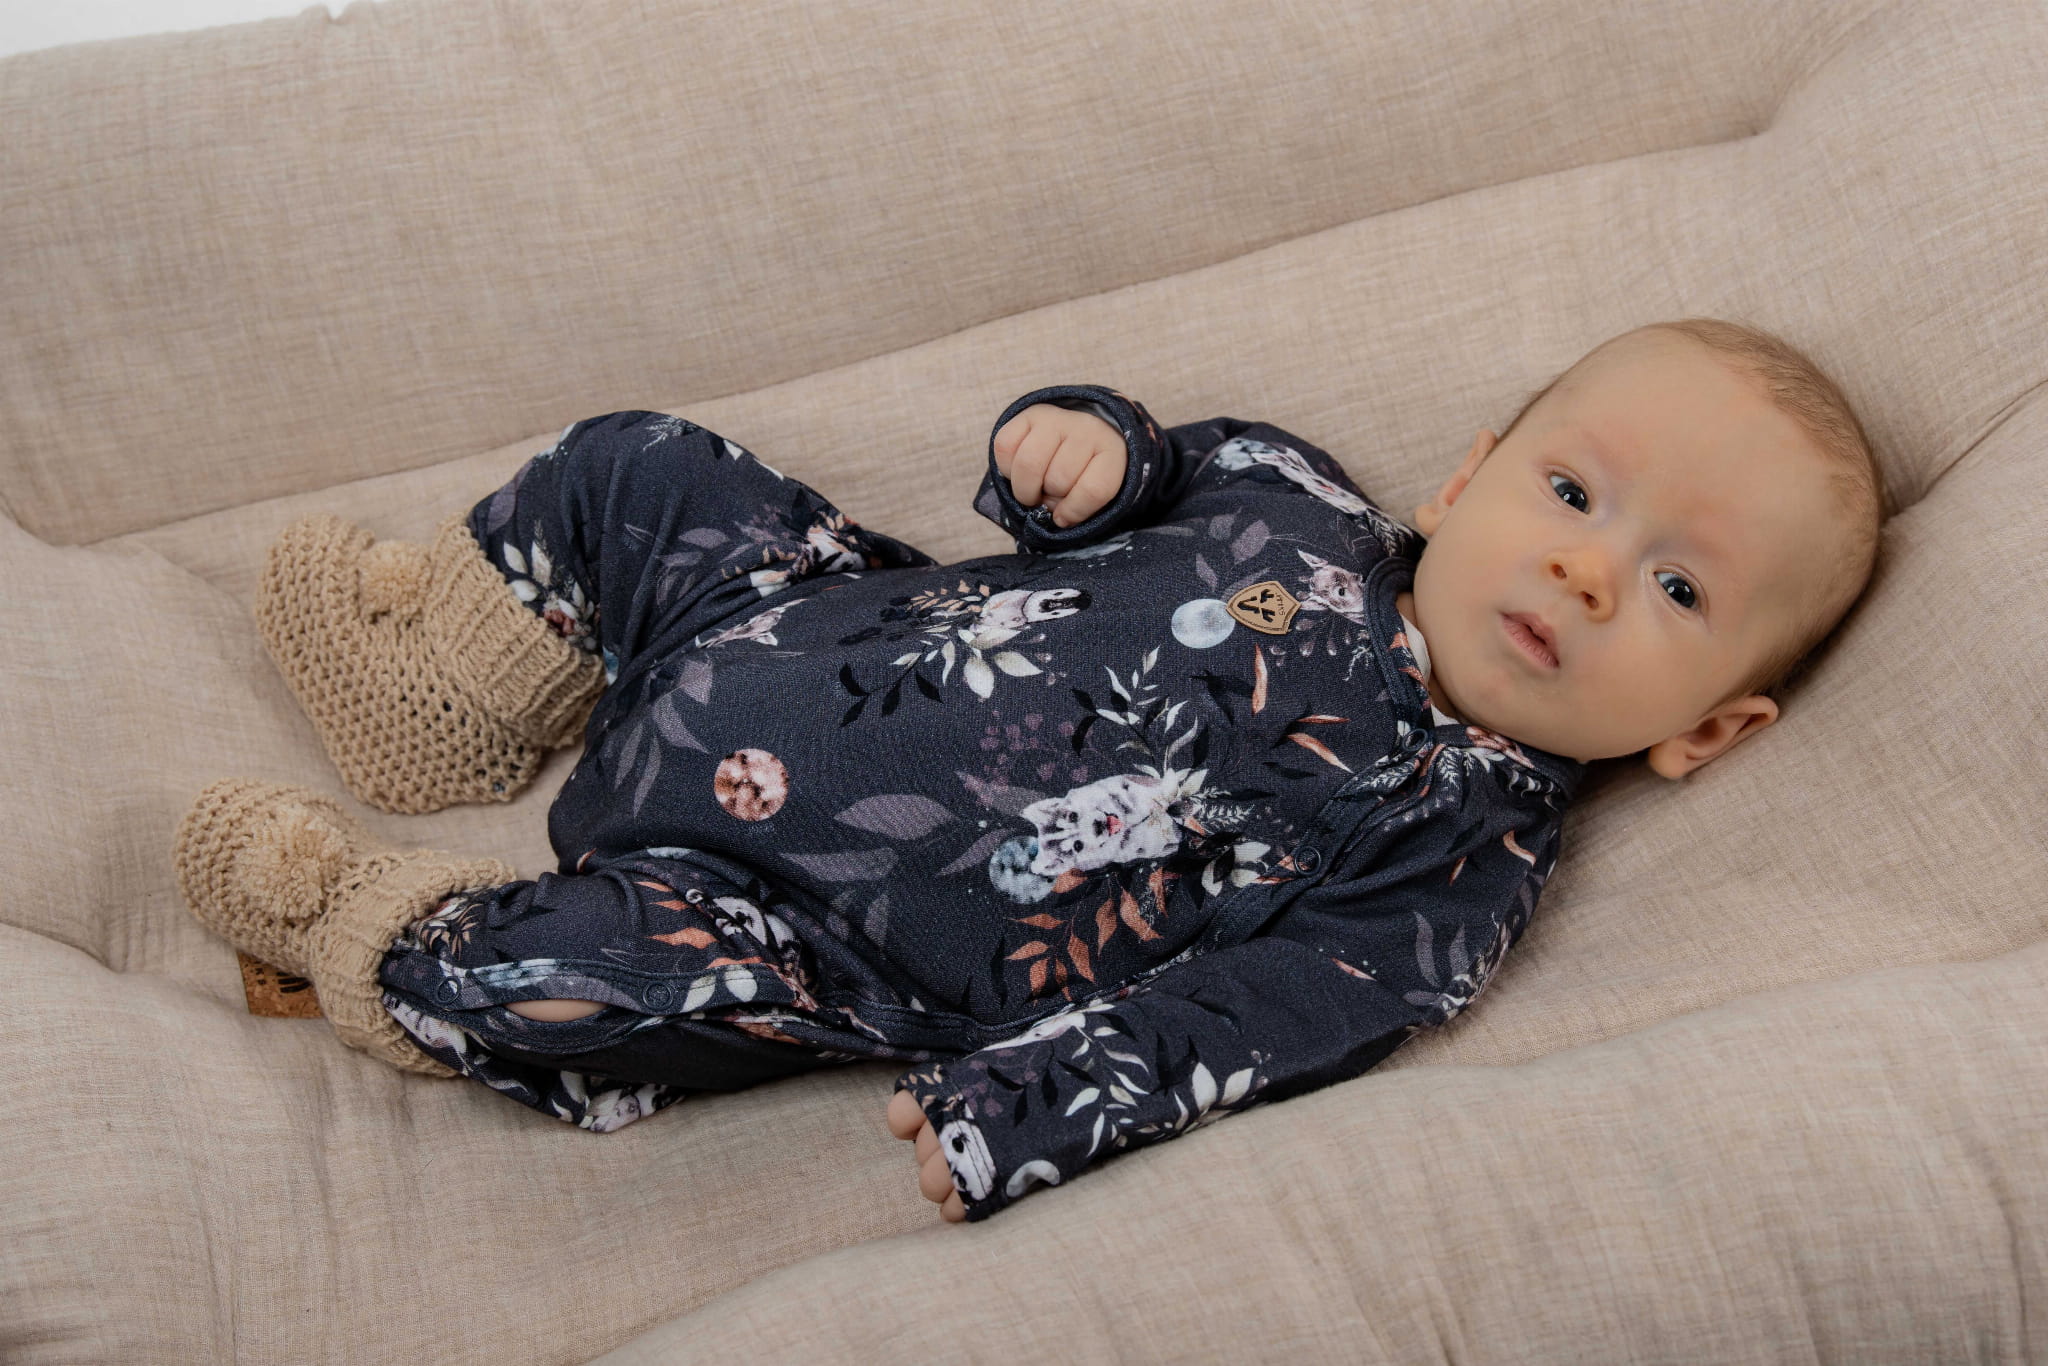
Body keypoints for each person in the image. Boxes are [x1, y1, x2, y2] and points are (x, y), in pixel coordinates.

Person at [173, 317, 1886, 1223]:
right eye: (1574, 493)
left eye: (1679, 589)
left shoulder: (1454, 861)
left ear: (1708, 728)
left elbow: (1253, 1018)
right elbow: (1138, 469)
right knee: (639, 460)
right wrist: (1082, 445)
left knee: (583, 986)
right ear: (1471, 472)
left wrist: (1040, 1108)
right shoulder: (1294, 493)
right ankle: (447, 682)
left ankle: (378, 928)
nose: (1587, 569)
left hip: (791, 929)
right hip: (797, 614)